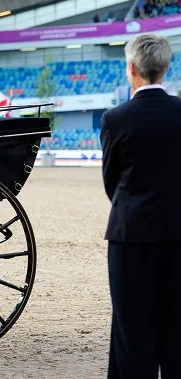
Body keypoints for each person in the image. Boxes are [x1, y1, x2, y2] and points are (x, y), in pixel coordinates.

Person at [100, 33, 181, 378]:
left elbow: (111, 181)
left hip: (130, 234)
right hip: (179, 234)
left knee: (132, 332)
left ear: (131, 69)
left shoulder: (115, 118)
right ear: (165, 68)